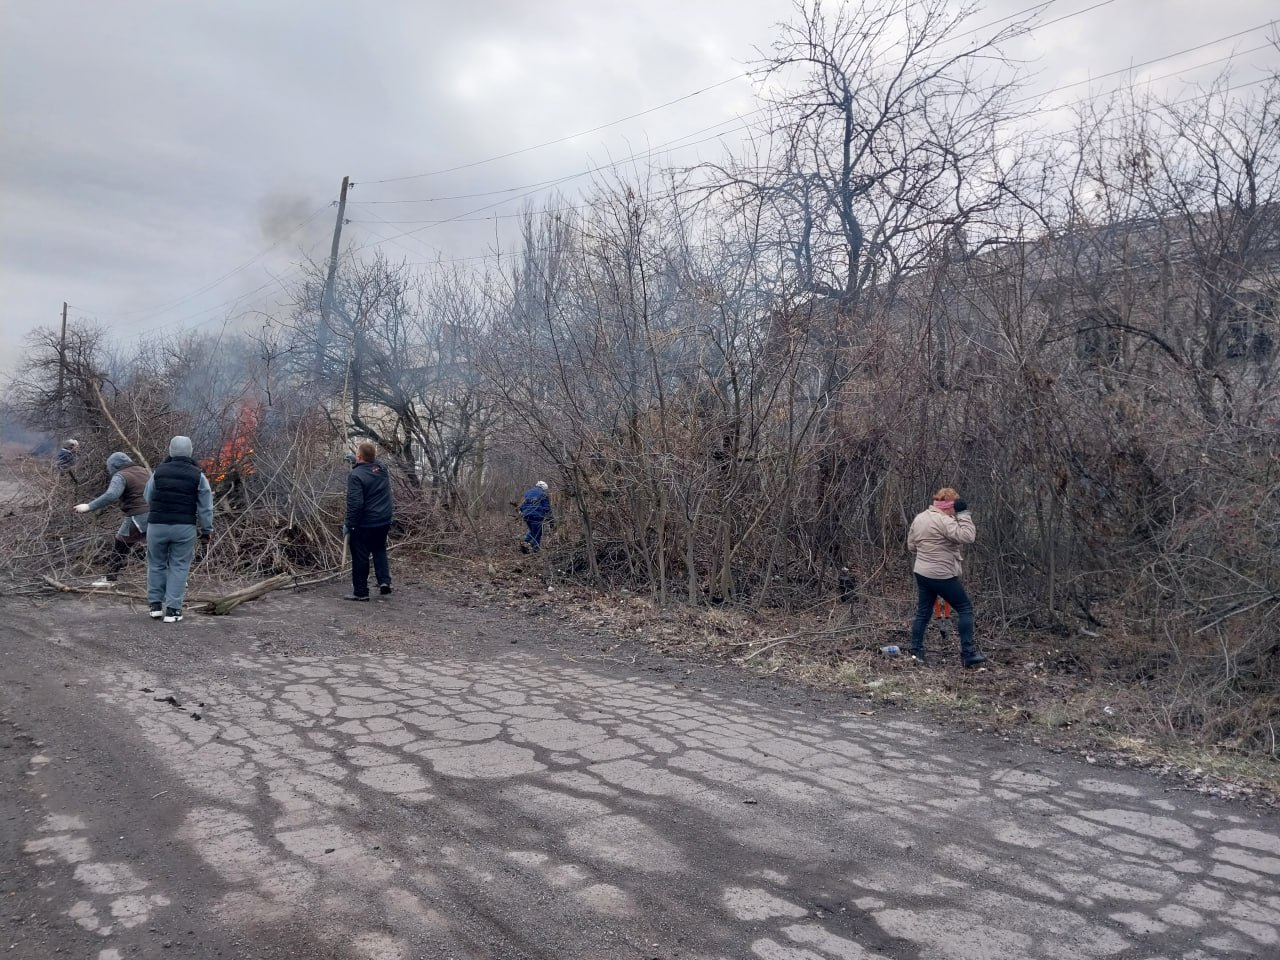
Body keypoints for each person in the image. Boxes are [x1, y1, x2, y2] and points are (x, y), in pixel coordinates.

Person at [906, 486, 987, 668]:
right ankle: (968, 654)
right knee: (965, 608)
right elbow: (968, 536)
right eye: (954, 509)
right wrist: (965, 513)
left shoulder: (920, 517)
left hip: (922, 572)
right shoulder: (943, 520)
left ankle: (916, 652)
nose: (955, 513)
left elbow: (911, 546)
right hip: (942, 574)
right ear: (948, 506)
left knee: (923, 612)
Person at [143, 436, 214, 623]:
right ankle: (173, 610)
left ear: (170, 450)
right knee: (179, 566)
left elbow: (147, 496)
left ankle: (155, 606)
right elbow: (206, 507)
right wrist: (206, 530)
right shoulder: (198, 475)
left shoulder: (158, 472)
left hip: (157, 525)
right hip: (184, 527)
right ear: (190, 451)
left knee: (156, 564)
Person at [73, 451, 151, 587]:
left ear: (113, 466)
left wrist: (89, 506)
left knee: (121, 543)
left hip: (137, 516)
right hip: (158, 514)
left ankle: (110, 578)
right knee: (159, 546)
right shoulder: (145, 471)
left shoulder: (120, 475)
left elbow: (111, 495)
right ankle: (176, 579)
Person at [344, 441, 393, 601]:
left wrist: (349, 525)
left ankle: (360, 592)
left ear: (359, 456)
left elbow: (356, 504)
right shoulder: (382, 468)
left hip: (365, 523)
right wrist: (355, 461)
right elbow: (371, 464)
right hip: (384, 520)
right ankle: (384, 581)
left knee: (360, 555)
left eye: (357, 454)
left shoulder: (355, 476)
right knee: (379, 549)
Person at [518, 480, 553, 553]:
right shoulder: (543, 494)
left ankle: (525, 541)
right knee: (538, 533)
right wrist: (551, 521)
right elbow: (547, 508)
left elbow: (521, 505)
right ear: (543, 488)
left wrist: (523, 511)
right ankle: (535, 549)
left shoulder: (527, 493)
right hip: (537, 515)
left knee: (533, 531)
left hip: (526, 515)